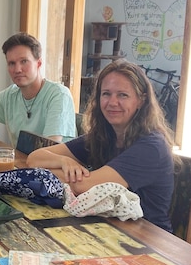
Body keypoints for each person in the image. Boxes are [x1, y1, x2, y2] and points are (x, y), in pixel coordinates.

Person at [27, 60, 177, 231]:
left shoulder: (152, 148)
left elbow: (82, 187)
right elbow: (34, 158)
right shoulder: (104, 136)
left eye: (122, 95)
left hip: (150, 239)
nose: (112, 102)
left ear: (141, 100)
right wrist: (63, 162)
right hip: (109, 227)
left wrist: (47, 172)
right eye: (106, 94)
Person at [0, 32, 76, 148]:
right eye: (12, 63)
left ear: (39, 63)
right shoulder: (10, 95)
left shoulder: (58, 95)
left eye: (24, 61)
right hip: (24, 163)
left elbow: (51, 149)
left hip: (56, 165)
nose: (17, 69)